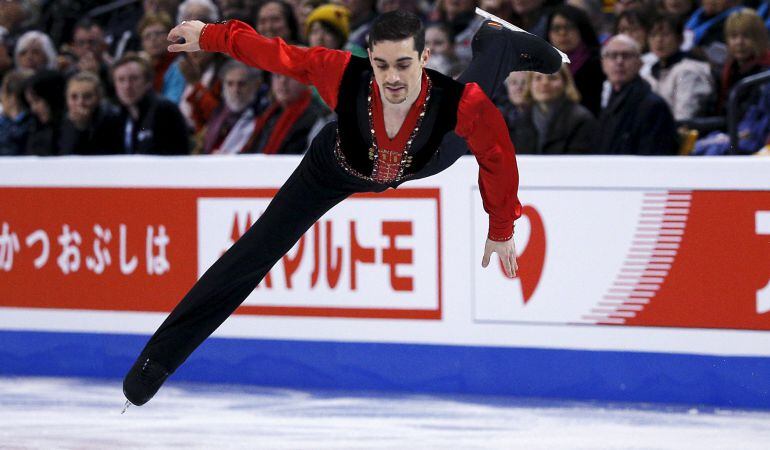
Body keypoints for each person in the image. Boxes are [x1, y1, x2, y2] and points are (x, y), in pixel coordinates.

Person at [122, 10, 564, 408]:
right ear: (368, 56)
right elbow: (276, 54)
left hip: (422, 159)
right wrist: (213, 36)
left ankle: (498, 44)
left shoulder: (460, 106)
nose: (392, 78)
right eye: (382, 64)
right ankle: (157, 362)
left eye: (405, 64)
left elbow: (498, 159)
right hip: (331, 169)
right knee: (253, 252)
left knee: (469, 107)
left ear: (425, 57)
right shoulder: (340, 72)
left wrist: (502, 226)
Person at [595, 34, 679, 155]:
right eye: (613, 56)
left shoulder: (653, 107)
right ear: (603, 64)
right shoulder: (609, 102)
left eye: (626, 56)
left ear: (640, 63)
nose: (619, 61)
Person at [112, 53, 190, 155]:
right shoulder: (118, 116)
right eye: (121, 80)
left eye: (134, 78)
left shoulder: (164, 110)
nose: (127, 86)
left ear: (148, 82)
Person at [640, 14, 713, 121]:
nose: (659, 40)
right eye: (653, 35)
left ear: (680, 39)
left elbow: (684, 117)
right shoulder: (648, 73)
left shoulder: (689, 71)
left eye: (665, 35)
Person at [511, 65, 598, 154]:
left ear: (565, 83)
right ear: (530, 85)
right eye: (538, 78)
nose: (545, 83)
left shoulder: (581, 119)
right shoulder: (522, 119)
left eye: (552, 77)